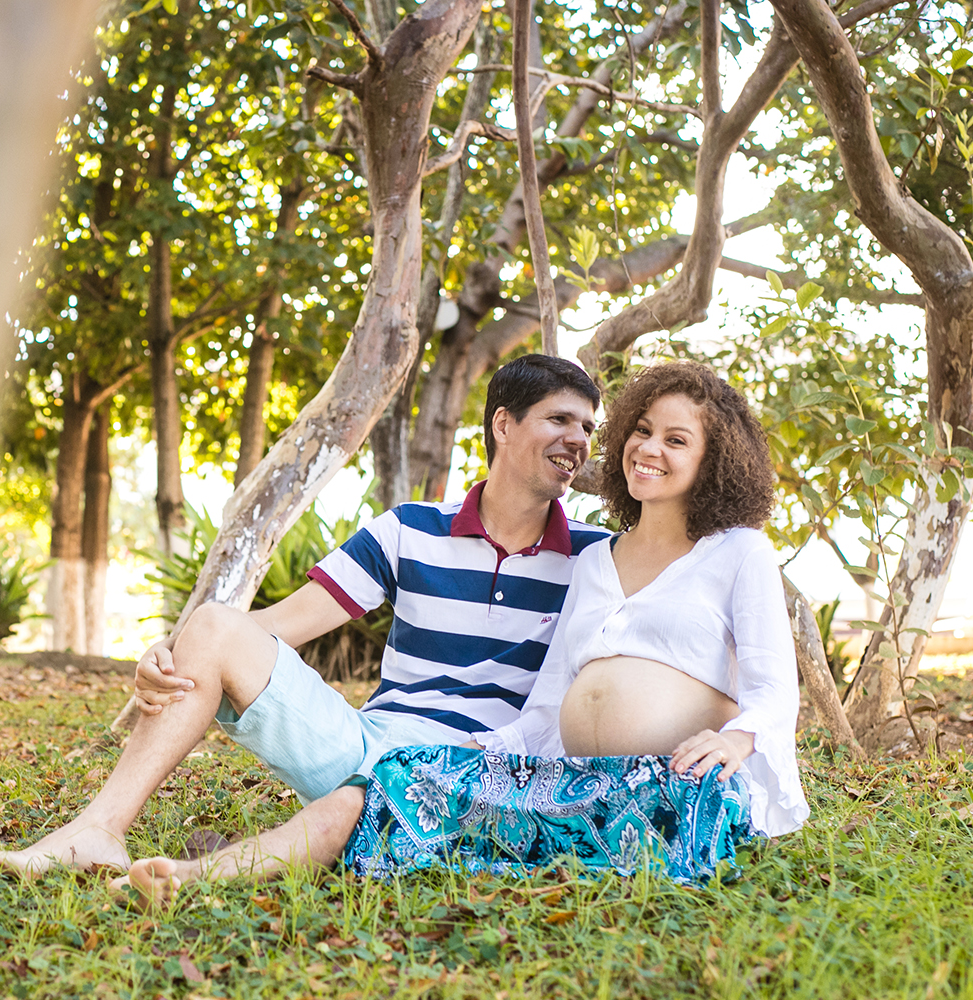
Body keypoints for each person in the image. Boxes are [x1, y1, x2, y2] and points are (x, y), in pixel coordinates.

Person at [125, 361, 809, 901]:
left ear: (714, 461)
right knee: (396, 787)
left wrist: (739, 736)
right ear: (503, 426)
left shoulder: (738, 551)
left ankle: (218, 871)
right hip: (560, 776)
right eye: (642, 430)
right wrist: (481, 755)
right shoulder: (595, 559)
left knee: (409, 809)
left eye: (676, 439)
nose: (648, 448)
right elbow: (551, 697)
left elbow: (777, 687)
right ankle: (195, 878)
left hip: (675, 779)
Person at [0, 354, 605, 878]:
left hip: (480, 772)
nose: (578, 440)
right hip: (365, 747)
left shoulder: (596, 558)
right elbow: (272, 626)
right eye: (560, 419)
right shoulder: (409, 530)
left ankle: (230, 865)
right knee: (214, 623)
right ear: (503, 423)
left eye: (587, 426)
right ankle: (98, 831)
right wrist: (170, 653)